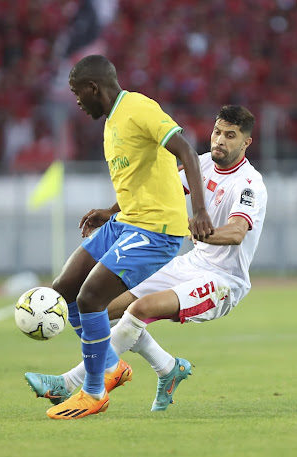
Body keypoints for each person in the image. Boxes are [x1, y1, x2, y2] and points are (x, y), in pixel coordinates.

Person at [26, 105, 266, 414]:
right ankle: (167, 367)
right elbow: (157, 193)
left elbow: (236, 232)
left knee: (139, 309)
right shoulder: (202, 165)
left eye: (230, 136)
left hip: (222, 280)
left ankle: (70, 383)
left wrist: (205, 233)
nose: (220, 140)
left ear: (247, 142)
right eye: (217, 132)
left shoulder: (249, 184)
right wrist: (112, 212)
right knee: (100, 309)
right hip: (190, 265)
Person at [34, 55, 214, 419]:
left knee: (91, 298)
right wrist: (110, 210)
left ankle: (94, 391)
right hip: (127, 221)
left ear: (92, 88)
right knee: (65, 288)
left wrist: (198, 211)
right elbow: (142, 178)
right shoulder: (112, 121)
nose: (77, 102)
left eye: (77, 93)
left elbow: (187, 153)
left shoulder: (138, 107)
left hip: (156, 229)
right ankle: (114, 366)